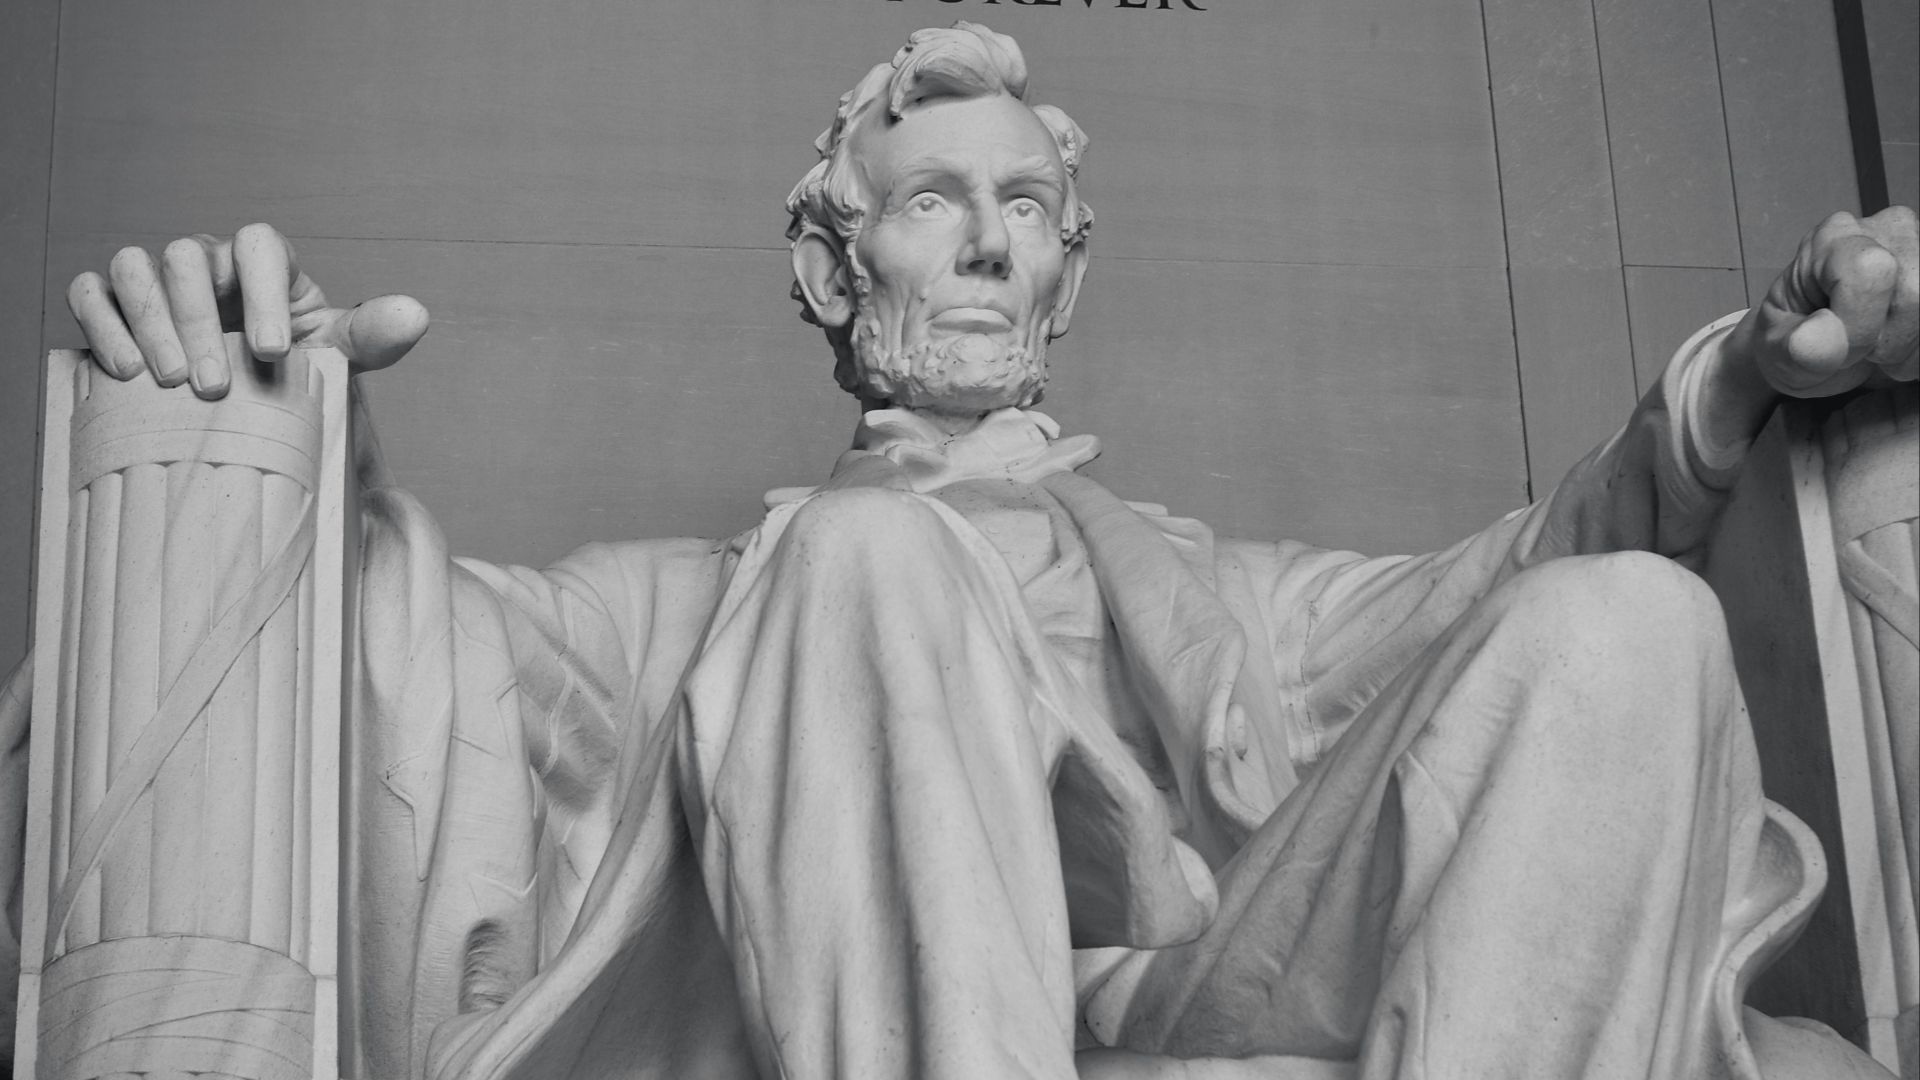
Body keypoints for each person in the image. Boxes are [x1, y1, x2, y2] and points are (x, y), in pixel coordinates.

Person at [6, 21, 1916, 1080]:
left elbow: (1502, 594)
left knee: (1632, 623)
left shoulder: (1209, 588)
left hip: (1190, 978)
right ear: (840, 270)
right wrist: (270, 413)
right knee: (869, 562)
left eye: (1028, 208)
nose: (994, 243)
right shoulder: (693, 608)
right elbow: (412, 656)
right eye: (937, 204)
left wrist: (1737, 376)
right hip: (880, 969)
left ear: (1068, 270)